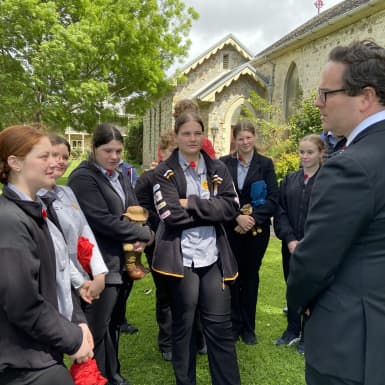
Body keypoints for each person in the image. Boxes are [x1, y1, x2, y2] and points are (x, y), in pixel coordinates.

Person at [287, 39, 385, 385]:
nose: (317, 103)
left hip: (353, 347)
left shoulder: (352, 167)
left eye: (326, 94)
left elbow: (312, 264)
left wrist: (297, 301)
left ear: (365, 97)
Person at [152, 112, 241, 385]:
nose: (192, 138)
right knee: (185, 327)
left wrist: (189, 203)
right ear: (176, 136)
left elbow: (231, 207)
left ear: (203, 136)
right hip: (181, 260)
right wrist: (211, 210)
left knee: (219, 327)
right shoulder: (163, 171)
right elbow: (170, 215)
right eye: (186, 133)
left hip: (213, 257)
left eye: (197, 133)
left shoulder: (217, 169)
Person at [0, 125, 93, 385]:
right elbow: (23, 304)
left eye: (55, 155)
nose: (55, 163)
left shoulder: (41, 209)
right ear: (15, 163)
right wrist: (73, 340)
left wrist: (78, 321)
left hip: (46, 346)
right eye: (44, 157)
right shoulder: (9, 221)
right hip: (24, 362)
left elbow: (59, 274)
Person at [68, 123, 153, 385]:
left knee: (113, 322)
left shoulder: (119, 174)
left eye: (118, 150)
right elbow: (101, 220)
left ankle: (111, 373)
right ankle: (94, 377)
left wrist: (143, 231)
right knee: (97, 327)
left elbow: (133, 208)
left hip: (122, 260)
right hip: (99, 264)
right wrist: (144, 235)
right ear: (93, 148)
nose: (114, 156)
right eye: (108, 150)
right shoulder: (83, 178)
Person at [220, 120, 279, 345]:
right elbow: (220, 197)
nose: (245, 142)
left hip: (257, 231)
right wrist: (236, 217)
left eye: (248, 137)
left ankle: (249, 327)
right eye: (240, 138)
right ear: (234, 139)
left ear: (255, 137)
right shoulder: (223, 164)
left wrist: (252, 219)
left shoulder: (265, 164)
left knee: (250, 277)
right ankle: (234, 324)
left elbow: (274, 198)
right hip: (232, 229)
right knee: (233, 277)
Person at [38, 134, 108, 304]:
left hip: (84, 277)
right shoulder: (35, 199)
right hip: (57, 283)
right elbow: (54, 248)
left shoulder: (66, 192)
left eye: (65, 157)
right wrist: (80, 282)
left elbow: (85, 231)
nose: (61, 161)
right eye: (55, 155)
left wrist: (99, 273)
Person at [273, 134, 324, 355]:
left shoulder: (328, 181)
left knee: (313, 290)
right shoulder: (290, 180)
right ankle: (292, 329)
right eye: (302, 152)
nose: (305, 156)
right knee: (292, 286)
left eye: (310, 152)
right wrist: (290, 239)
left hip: (316, 247)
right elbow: (280, 211)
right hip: (291, 246)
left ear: (321, 153)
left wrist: (309, 241)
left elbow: (329, 215)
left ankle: (310, 335)